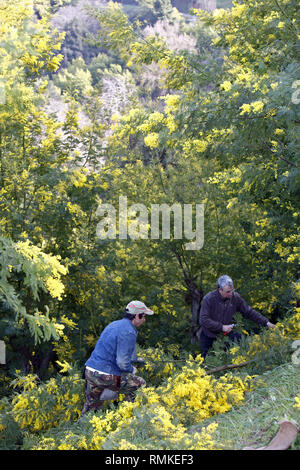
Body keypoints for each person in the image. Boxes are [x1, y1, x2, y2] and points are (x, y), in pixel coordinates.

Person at [80, 300, 153, 416]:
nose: (145, 320)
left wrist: (136, 361)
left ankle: (79, 430)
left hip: (90, 371)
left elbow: (124, 353)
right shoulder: (129, 331)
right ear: (136, 316)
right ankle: (131, 417)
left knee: (91, 405)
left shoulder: (114, 324)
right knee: (139, 384)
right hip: (106, 375)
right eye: (144, 316)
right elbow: (122, 364)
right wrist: (132, 369)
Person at [199, 275, 276, 358]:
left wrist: (266, 323)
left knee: (233, 354)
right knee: (208, 361)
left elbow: (249, 312)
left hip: (227, 336)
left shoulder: (235, 297)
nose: (231, 293)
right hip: (209, 336)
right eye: (228, 291)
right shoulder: (208, 299)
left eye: (232, 290)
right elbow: (203, 320)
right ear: (220, 290)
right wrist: (221, 327)